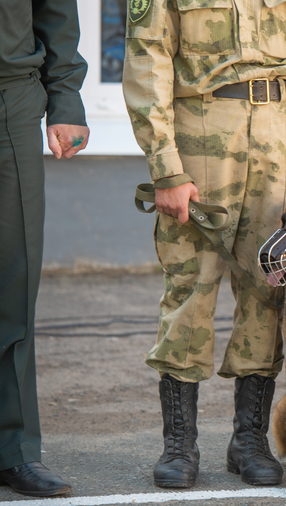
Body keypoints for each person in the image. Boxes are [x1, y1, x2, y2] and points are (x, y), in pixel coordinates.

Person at [123, 0, 286, 489]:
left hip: (281, 140)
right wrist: (166, 167)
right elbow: (148, 59)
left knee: (270, 288)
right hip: (200, 140)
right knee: (189, 289)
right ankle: (179, 444)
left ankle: (250, 439)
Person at [0, 0, 90, 498]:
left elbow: (56, 12)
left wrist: (67, 102)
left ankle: (14, 449)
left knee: (14, 279)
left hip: (8, 101)